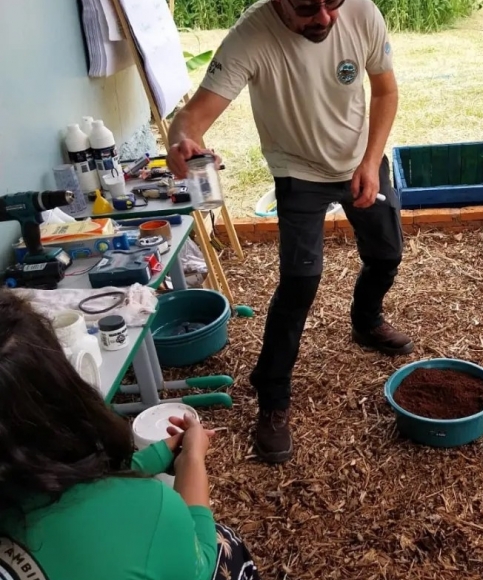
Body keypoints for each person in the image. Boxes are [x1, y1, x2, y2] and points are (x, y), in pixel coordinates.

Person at [166, 0, 412, 464]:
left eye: (331, 3)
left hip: (363, 159)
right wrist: (182, 141)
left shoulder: (363, 13)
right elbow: (193, 116)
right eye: (305, 7)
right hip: (298, 171)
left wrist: (370, 162)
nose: (323, 17)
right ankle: (272, 396)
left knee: (387, 254)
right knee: (300, 283)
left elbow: (384, 92)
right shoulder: (250, 37)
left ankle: (365, 321)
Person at [0, 290, 259, 580]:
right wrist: (193, 461)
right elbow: (202, 563)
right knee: (227, 547)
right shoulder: (149, 510)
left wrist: (157, 455)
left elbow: (63, 483)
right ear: (59, 390)